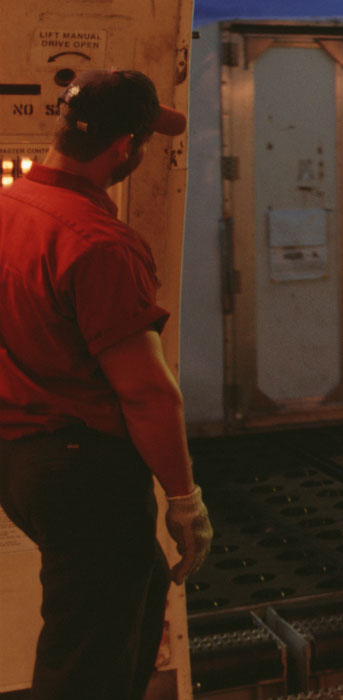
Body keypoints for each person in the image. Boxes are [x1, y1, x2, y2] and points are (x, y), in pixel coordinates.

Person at [0, 69, 213, 700]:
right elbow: (148, 393)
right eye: (146, 139)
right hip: (82, 473)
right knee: (85, 665)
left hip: (19, 463)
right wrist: (185, 502)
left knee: (139, 588)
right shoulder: (100, 245)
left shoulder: (10, 206)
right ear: (124, 150)